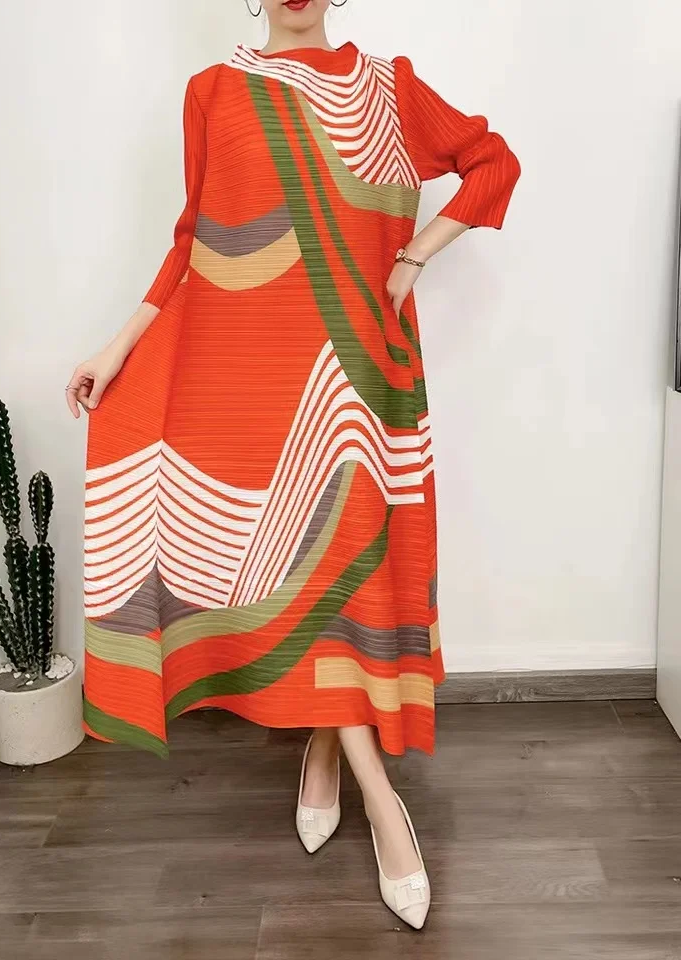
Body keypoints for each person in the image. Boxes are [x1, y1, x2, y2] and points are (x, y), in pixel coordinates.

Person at [67, 0, 520, 930]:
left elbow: (493, 162)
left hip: (364, 379)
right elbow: (195, 240)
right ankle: (378, 797)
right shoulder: (215, 92)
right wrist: (119, 348)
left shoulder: (390, 90)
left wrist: (416, 256)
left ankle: (330, 754)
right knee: (313, 577)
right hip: (260, 385)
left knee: (344, 573)